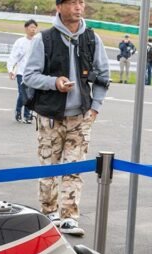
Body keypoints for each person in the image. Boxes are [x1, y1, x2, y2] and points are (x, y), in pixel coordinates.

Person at [23, 0, 109, 237]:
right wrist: (54, 82)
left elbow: (103, 75)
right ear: (59, 7)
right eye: (72, 2)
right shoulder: (45, 39)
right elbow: (29, 75)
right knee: (48, 167)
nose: (78, 7)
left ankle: (69, 217)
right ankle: (49, 212)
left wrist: (95, 107)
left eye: (81, 2)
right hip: (49, 116)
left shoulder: (92, 39)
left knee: (74, 168)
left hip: (80, 117)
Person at [6, 19, 38, 124]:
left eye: (35, 27)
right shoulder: (20, 42)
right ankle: (18, 111)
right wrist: (10, 69)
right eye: (31, 27)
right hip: (21, 72)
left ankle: (27, 115)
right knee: (22, 93)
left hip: (33, 73)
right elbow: (13, 56)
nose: (33, 30)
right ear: (26, 28)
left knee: (30, 94)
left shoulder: (38, 41)